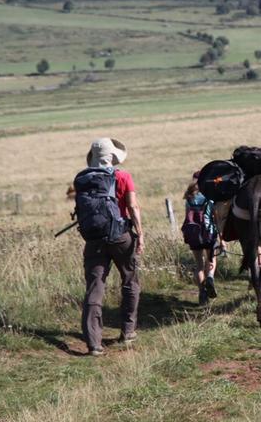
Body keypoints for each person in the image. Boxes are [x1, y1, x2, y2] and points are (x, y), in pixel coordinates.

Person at [79, 138, 144, 356]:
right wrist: (140, 234)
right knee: (130, 280)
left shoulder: (84, 179)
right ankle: (128, 330)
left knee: (95, 287)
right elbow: (133, 207)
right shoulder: (123, 176)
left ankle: (93, 342)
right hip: (120, 236)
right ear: (113, 157)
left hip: (94, 238)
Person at [183, 172, 221, 305]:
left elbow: (187, 215)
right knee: (211, 259)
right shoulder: (209, 196)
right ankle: (210, 277)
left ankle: (202, 293)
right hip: (208, 232)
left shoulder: (189, 196)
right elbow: (215, 217)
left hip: (193, 233)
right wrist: (221, 236)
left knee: (199, 264)